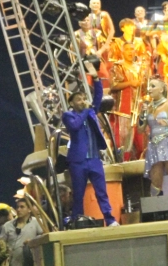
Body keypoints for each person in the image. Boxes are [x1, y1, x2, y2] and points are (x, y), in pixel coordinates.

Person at [61, 61, 118, 226]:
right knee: (79, 194)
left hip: (94, 159)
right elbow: (75, 126)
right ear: (71, 103)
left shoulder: (91, 112)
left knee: (102, 192)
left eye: (84, 98)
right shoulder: (68, 115)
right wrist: (87, 110)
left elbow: (98, 96)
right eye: (78, 99)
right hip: (78, 161)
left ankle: (110, 219)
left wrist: (96, 78)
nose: (82, 101)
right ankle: (76, 220)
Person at [110, 42, 147, 160]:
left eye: (132, 49)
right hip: (124, 111)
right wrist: (130, 83)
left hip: (139, 109)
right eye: (127, 49)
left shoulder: (140, 67)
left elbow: (145, 88)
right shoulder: (118, 66)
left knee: (141, 141)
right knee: (123, 141)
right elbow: (113, 85)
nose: (131, 52)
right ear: (122, 52)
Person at [0, 199, 43, 266]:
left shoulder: (37, 222)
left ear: (29, 209)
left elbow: (44, 239)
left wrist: (33, 241)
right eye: (17, 207)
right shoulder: (7, 226)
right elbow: (1, 245)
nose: (18, 209)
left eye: (22, 207)